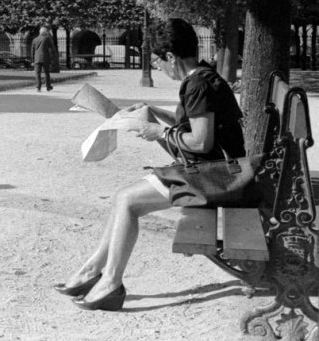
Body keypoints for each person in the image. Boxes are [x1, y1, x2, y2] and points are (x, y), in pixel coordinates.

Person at [55, 18, 245, 311]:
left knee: (128, 201)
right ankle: (92, 272)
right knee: (123, 198)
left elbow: (201, 142)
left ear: (171, 56)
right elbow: (195, 127)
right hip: (216, 169)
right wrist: (154, 112)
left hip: (215, 176)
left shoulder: (197, 86)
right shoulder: (204, 77)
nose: (157, 66)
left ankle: (110, 283)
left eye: (157, 60)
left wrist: (158, 132)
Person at [31, 26, 57, 92]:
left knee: (37, 74)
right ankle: (48, 87)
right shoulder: (47, 38)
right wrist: (53, 56)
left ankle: (38, 87)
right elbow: (52, 48)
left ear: (40, 32)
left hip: (37, 59)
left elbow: (32, 51)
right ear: (45, 32)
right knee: (46, 73)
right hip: (45, 58)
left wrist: (32, 61)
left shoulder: (35, 39)